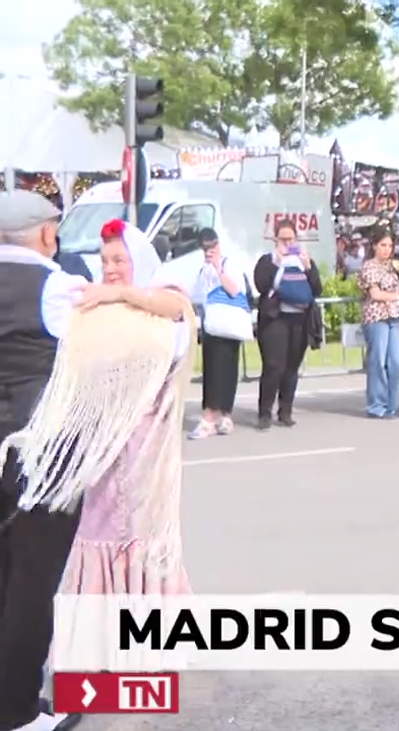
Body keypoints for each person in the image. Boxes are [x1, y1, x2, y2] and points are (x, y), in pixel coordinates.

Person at [51, 220, 193, 601]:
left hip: (147, 445)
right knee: (100, 526)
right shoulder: (95, 309)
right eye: (104, 261)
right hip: (103, 444)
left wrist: (120, 294)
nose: (110, 269)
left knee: (143, 530)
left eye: (119, 260)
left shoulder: (161, 300)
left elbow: (177, 308)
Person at [0, 191, 86, 731]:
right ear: (47, 234)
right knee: (33, 583)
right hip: (41, 454)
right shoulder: (57, 287)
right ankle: (18, 711)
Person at [252, 220, 322, 430]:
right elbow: (261, 285)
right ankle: (265, 412)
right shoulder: (268, 260)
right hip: (275, 319)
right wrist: (277, 262)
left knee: (292, 367)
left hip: (299, 320)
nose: (287, 243)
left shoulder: (303, 261)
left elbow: (317, 289)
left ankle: (285, 411)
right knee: (274, 366)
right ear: (275, 239)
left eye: (291, 239)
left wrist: (308, 268)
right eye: (283, 239)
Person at [189, 228, 250, 439]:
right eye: (205, 248)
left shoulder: (229, 264)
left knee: (228, 369)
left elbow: (234, 290)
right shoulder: (202, 271)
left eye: (212, 247)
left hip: (228, 324)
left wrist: (218, 268)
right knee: (212, 371)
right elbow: (197, 296)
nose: (208, 252)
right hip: (211, 326)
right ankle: (211, 416)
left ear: (218, 245)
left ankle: (223, 415)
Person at [356, 231, 399, 419]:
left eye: (389, 246)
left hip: (393, 317)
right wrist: (396, 296)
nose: (386, 250)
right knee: (378, 361)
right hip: (376, 317)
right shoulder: (369, 267)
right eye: (383, 245)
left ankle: (392, 405)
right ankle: (377, 405)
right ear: (374, 246)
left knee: (396, 363)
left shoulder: (391, 267)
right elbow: (375, 294)